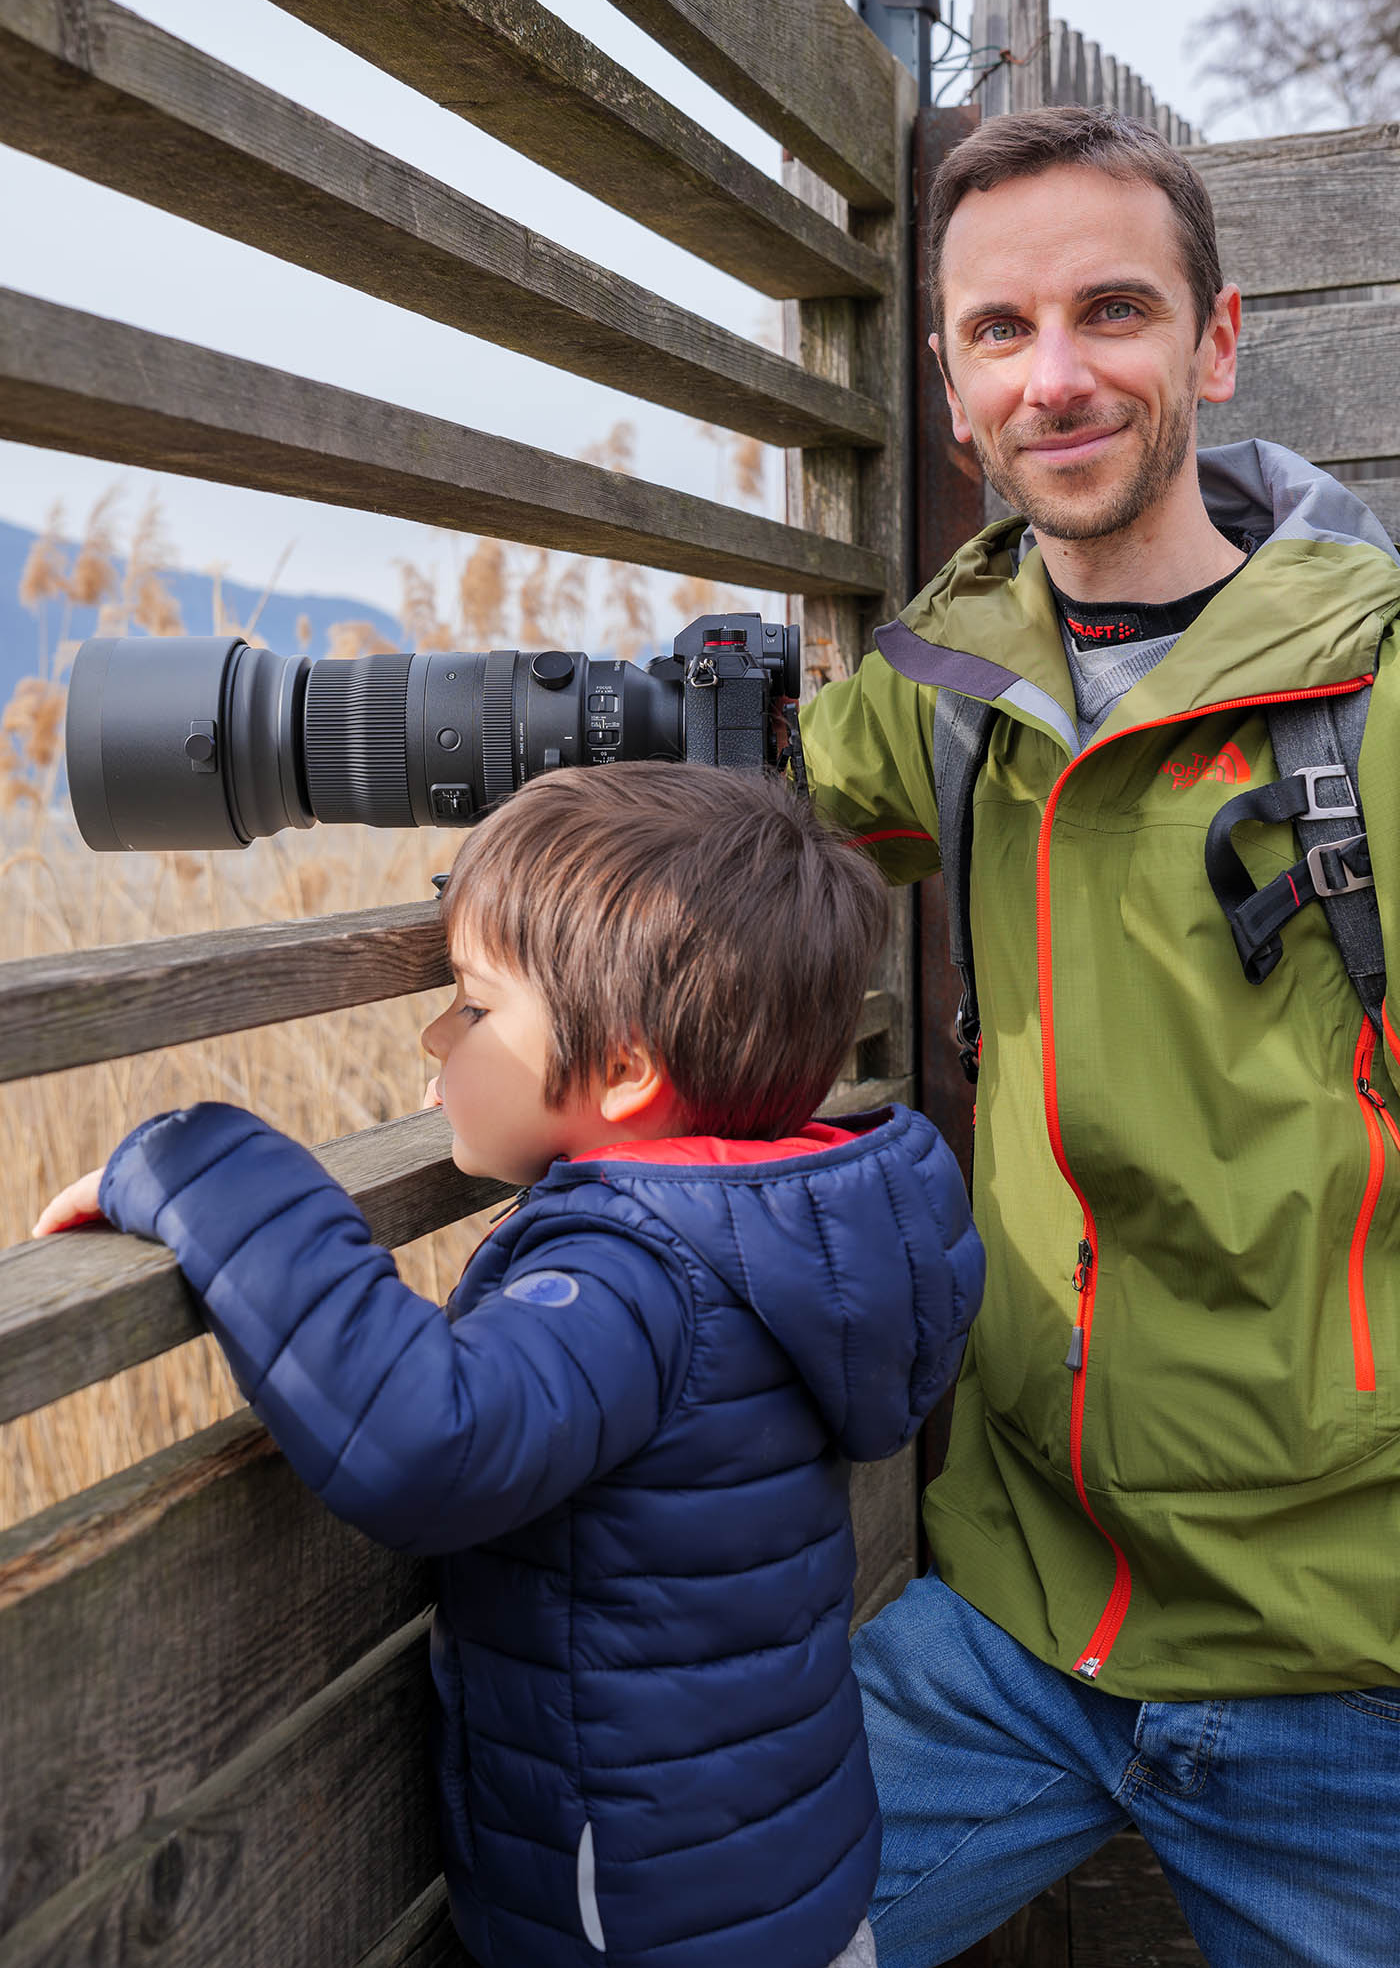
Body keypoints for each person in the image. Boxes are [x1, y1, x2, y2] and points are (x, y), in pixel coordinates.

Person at [35, 759, 984, 1968]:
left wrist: (205, 1170)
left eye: (474, 1006)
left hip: (649, 1932)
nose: (433, 1035)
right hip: (772, 1891)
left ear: (629, 1070)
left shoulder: (637, 1282)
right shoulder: (770, 1226)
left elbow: (424, 1438)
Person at [797, 104, 1400, 1968]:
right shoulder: (951, 696)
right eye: (1001, 331)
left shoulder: (1374, 689)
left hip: (1346, 1672)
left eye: (1112, 313)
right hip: (1013, 1627)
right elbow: (712, 816)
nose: (1055, 379)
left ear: (1215, 343)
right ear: (952, 384)